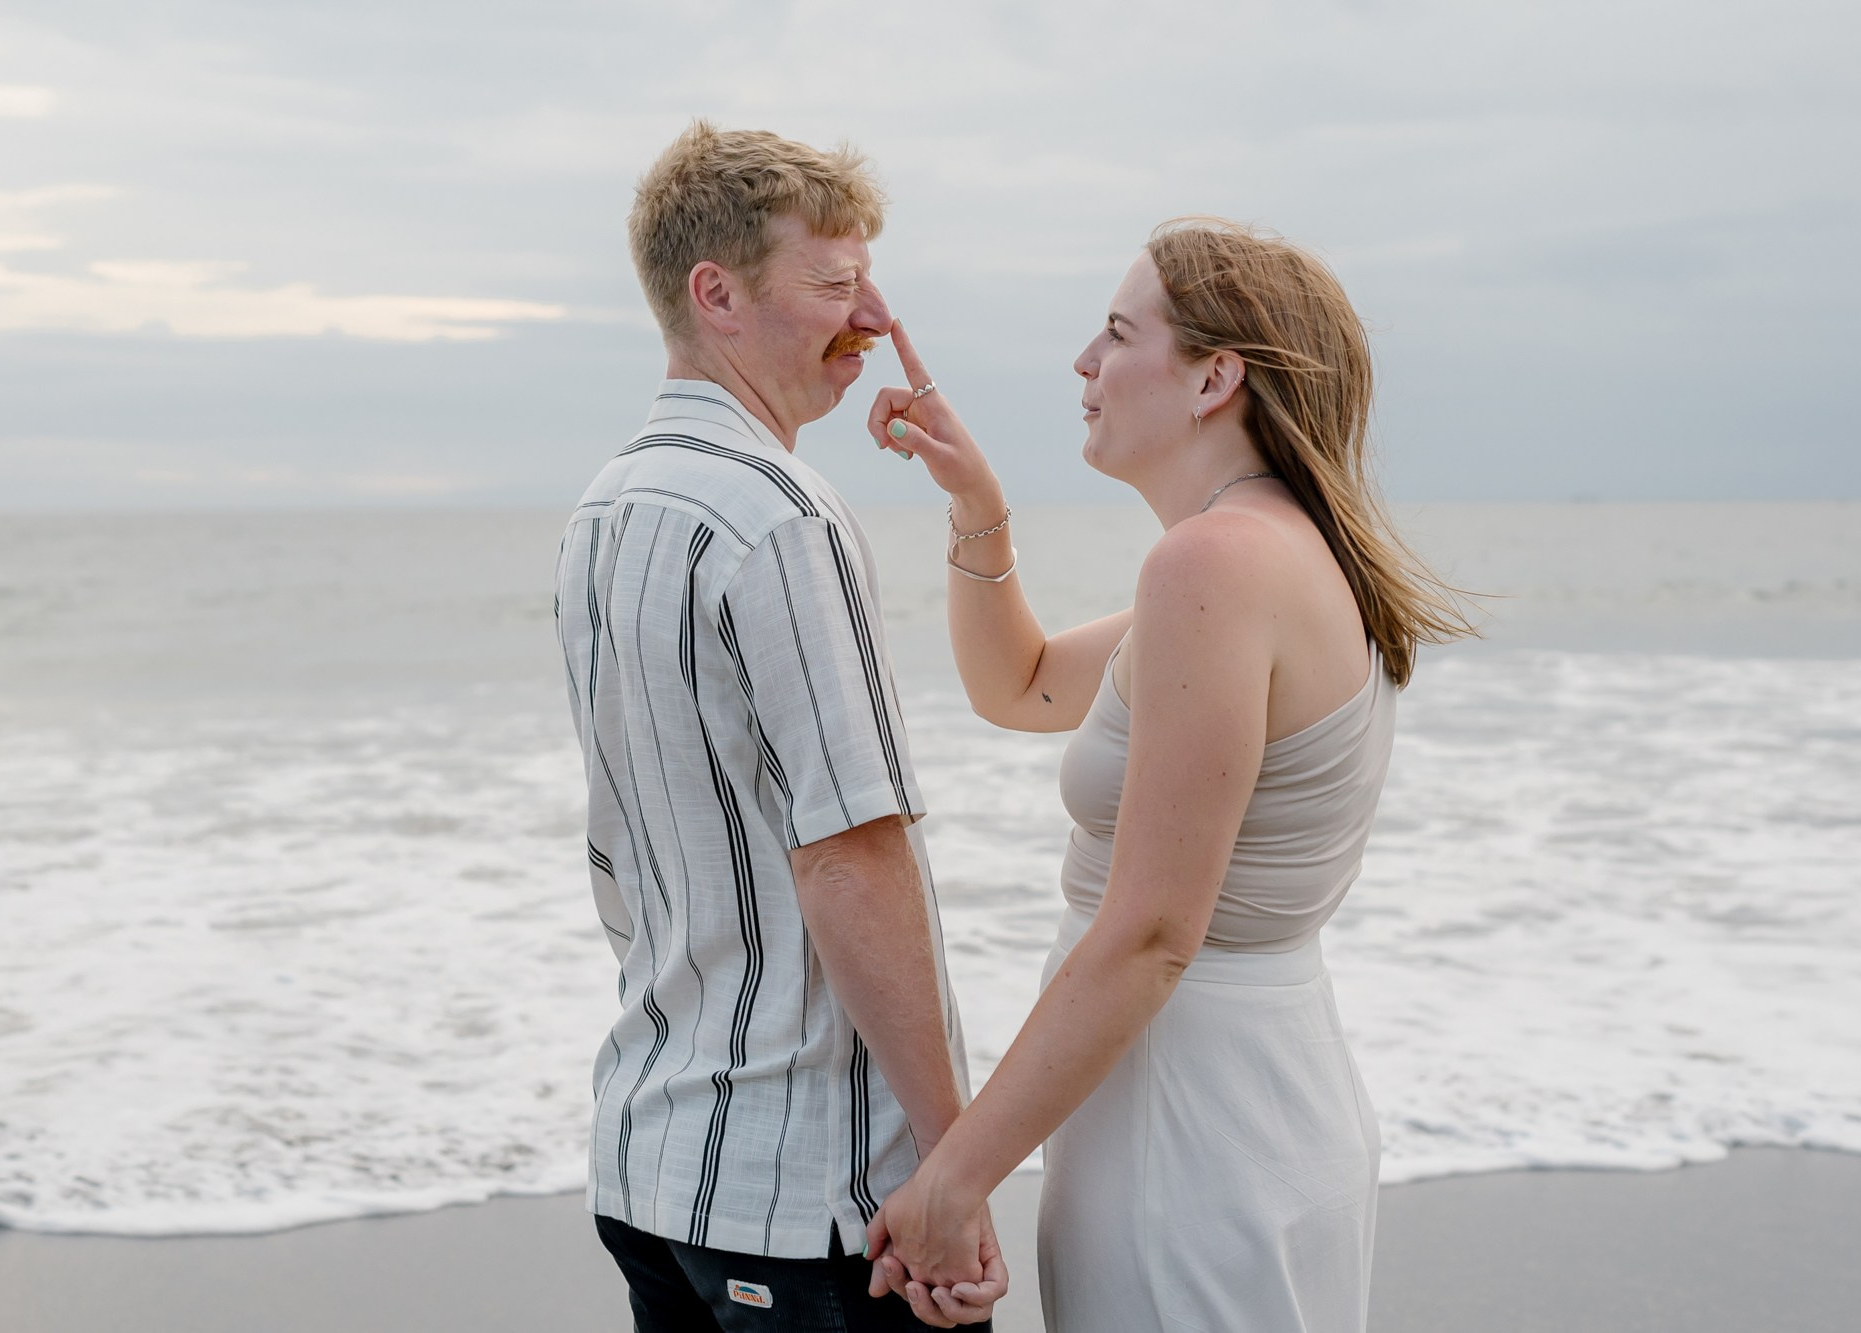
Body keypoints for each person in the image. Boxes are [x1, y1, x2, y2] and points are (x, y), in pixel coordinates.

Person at [860, 217, 1474, 1330]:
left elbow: (1151, 933)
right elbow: (1027, 684)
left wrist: (955, 1177)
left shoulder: (1212, 563)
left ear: (1211, 378)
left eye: (1114, 333)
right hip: (1256, 1102)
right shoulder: (1275, 549)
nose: (1083, 365)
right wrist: (976, 509)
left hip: (1191, 1132)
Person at [553, 121, 1005, 1331]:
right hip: (811, 1197)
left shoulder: (605, 508)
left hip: (654, 1162)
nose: (868, 322)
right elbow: (847, 856)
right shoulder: (780, 516)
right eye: (833, 285)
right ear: (717, 295)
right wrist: (951, 1169)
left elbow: (625, 846)